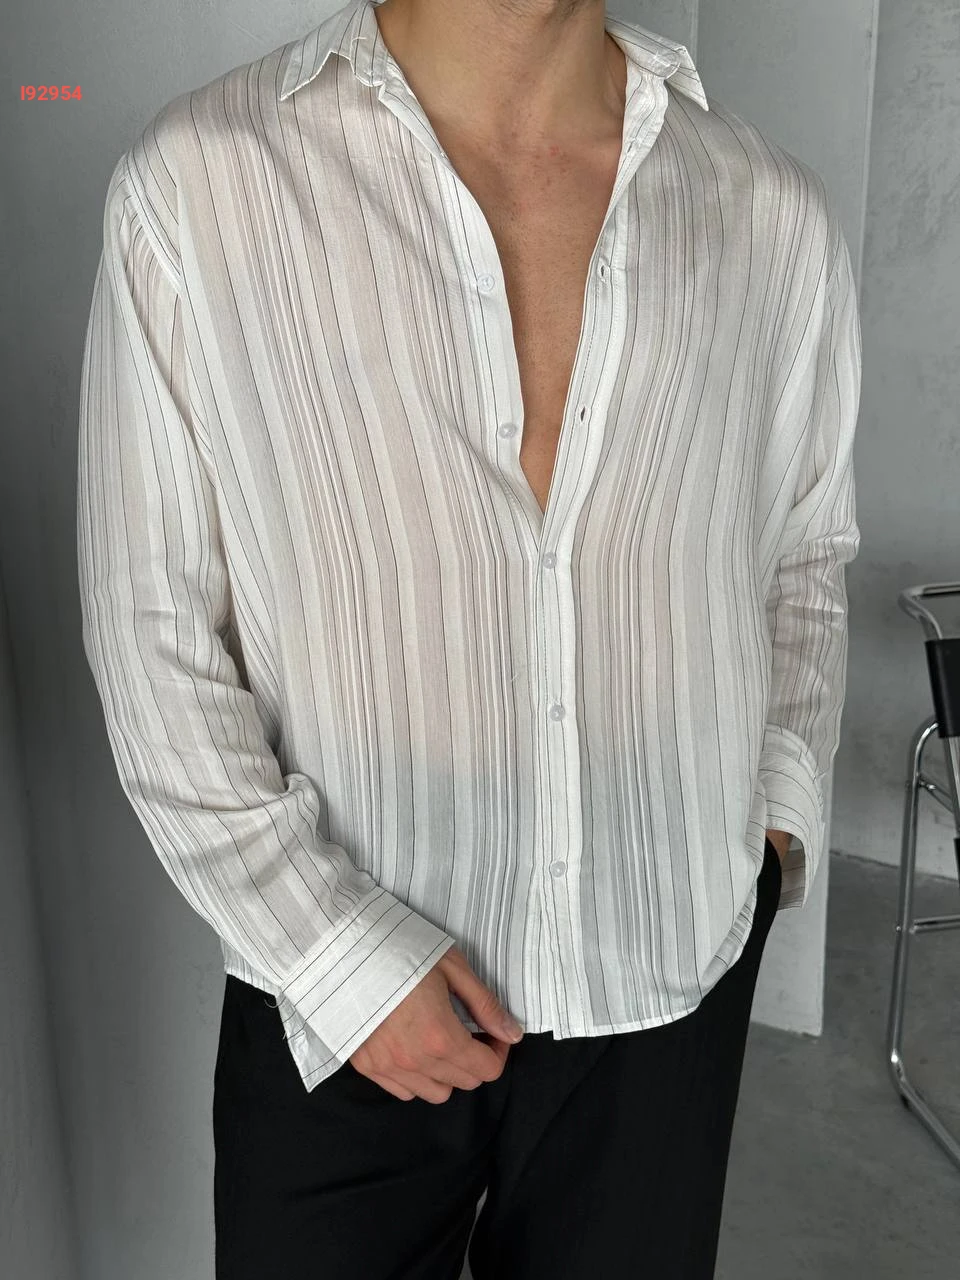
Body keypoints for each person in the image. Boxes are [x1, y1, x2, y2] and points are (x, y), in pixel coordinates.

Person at [76, 0, 861, 1275]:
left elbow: (804, 555)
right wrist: (337, 954)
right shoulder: (203, 184)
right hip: (339, 994)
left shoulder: (768, 213)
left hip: (668, 969)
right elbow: (150, 618)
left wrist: (768, 831)